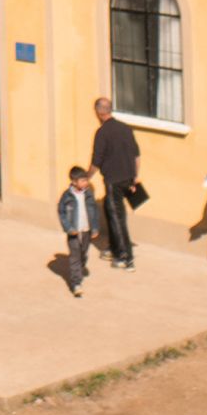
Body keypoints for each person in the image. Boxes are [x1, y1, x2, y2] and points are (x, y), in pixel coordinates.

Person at [85, 97, 140, 271]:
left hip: (113, 181)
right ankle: (114, 247)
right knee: (113, 214)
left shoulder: (102, 132)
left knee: (117, 218)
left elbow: (97, 161)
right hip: (128, 179)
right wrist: (135, 178)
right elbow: (137, 156)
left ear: (99, 112)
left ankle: (125, 257)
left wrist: (86, 178)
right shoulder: (125, 129)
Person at [56, 165, 101, 298]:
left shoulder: (88, 194)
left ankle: (78, 269)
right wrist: (68, 228)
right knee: (75, 255)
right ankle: (76, 283)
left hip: (86, 229)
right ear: (74, 182)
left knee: (83, 253)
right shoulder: (67, 195)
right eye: (82, 181)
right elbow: (61, 212)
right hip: (74, 231)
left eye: (86, 180)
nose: (86, 183)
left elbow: (94, 210)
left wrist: (95, 227)